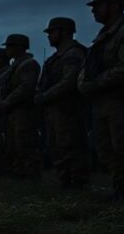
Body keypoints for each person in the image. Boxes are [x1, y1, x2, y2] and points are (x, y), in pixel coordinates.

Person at [78, 0, 124, 200]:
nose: (94, 11)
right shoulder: (103, 37)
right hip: (104, 102)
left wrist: (95, 83)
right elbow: (87, 69)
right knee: (106, 148)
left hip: (123, 100)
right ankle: (120, 188)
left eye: (98, 6)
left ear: (115, 6)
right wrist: (84, 84)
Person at [35, 17, 89, 189]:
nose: (49, 36)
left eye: (52, 32)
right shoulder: (55, 58)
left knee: (70, 145)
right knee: (56, 146)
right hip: (54, 109)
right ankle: (65, 181)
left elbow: (69, 82)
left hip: (68, 108)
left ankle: (77, 182)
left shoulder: (73, 54)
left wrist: (45, 96)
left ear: (64, 32)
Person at [0, 34, 41, 179]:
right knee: (14, 143)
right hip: (13, 111)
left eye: (10, 46)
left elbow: (26, 87)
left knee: (25, 142)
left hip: (23, 110)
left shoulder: (28, 64)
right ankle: (20, 171)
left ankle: (30, 173)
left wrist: (7, 101)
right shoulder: (15, 66)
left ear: (19, 47)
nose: (7, 50)